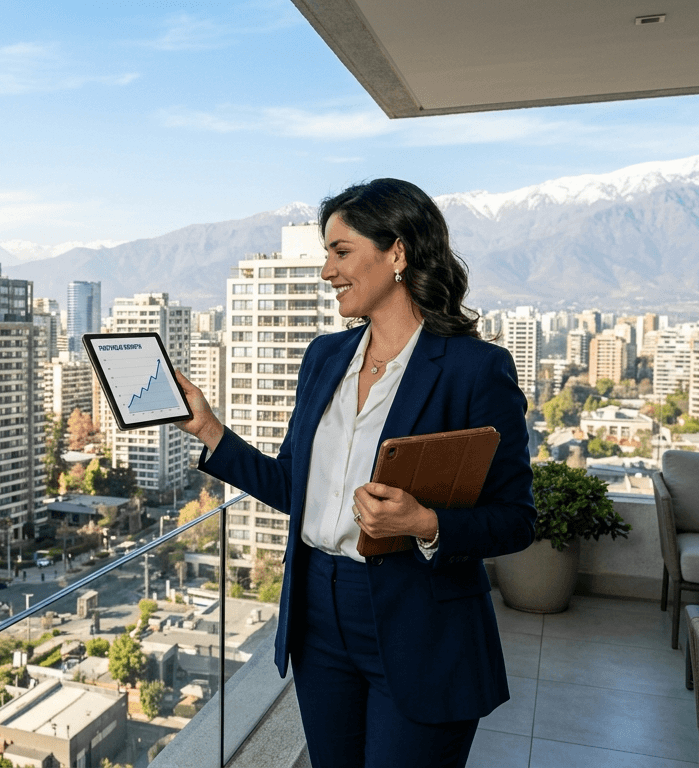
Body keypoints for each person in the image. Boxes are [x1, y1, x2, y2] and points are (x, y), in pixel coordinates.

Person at [175, 178, 535, 767]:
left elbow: (516, 521)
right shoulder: (324, 357)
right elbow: (296, 487)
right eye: (326, 254)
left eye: (341, 252)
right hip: (317, 611)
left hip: (419, 620)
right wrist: (211, 432)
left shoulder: (475, 370)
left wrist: (425, 522)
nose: (326, 271)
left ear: (397, 252)